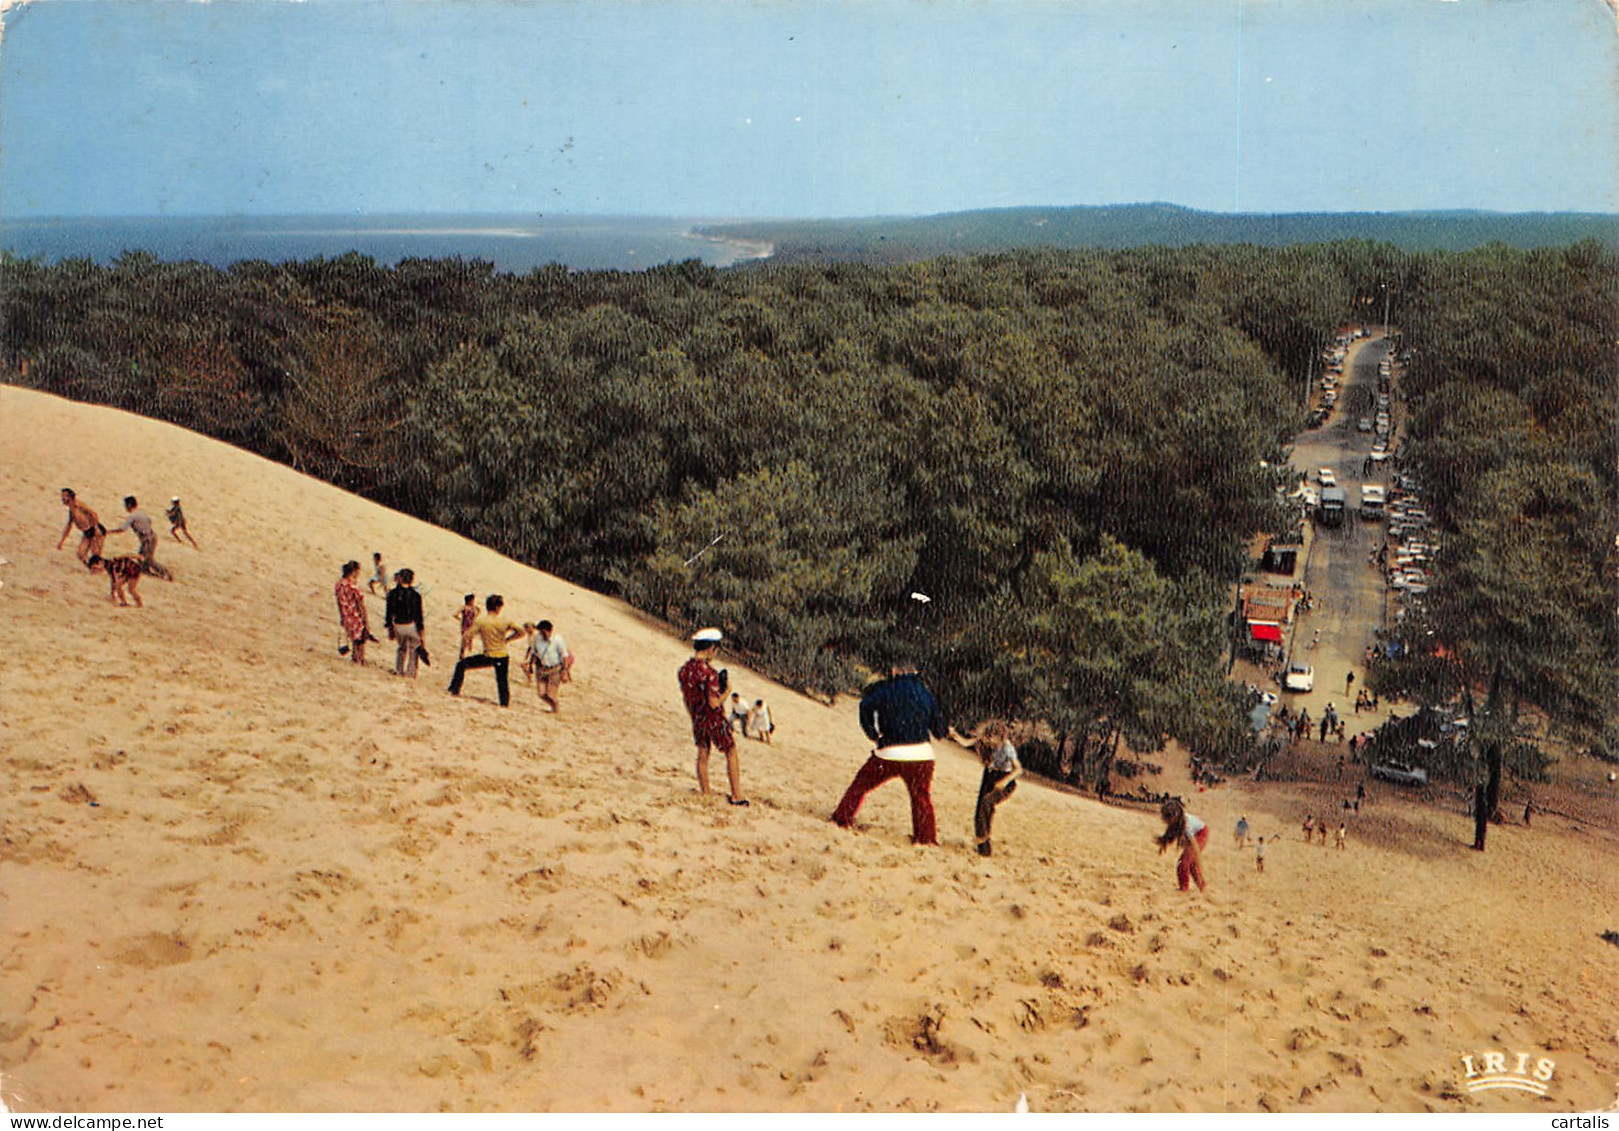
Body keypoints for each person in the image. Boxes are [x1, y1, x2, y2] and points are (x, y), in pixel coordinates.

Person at [831, 660, 948, 846]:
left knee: (860, 785)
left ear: (894, 671)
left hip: (890, 752)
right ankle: (926, 839)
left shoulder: (886, 689)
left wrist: (873, 734)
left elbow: (865, 706)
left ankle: (841, 819)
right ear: (915, 672)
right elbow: (940, 732)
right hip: (922, 755)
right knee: (921, 798)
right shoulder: (926, 694)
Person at [677, 628, 747, 805]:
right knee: (731, 751)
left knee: (702, 753)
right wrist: (727, 692)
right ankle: (737, 795)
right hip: (713, 718)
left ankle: (705, 791)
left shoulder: (685, 670)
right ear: (711, 648)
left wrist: (693, 715)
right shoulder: (709, 673)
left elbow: (686, 698)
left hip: (697, 717)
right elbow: (714, 703)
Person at [957, 720, 1022, 857]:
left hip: (1005, 779)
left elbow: (1018, 770)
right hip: (990, 776)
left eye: (993, 738)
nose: (990, 741)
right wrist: (953, 735)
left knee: (987, 803)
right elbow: (965, 742)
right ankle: (984, 849)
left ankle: (983, 838)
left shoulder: (1007, 748)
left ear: (1001, 737)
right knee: (980, 810)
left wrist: (1004, 782)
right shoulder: (985, 741)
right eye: (989, 737)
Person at [448, 595, 523, 707]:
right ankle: (504, 703)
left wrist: (462, 652)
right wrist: (508, 639)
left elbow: (466, 636)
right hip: (502, 655)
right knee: (502, 681)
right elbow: (521, 632)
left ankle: (454, 690)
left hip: (488, 655)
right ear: (498, 607)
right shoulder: (505, 620)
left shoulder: (481, 621)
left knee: (461, 665)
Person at [108, 496, 171, 581]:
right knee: (142, 558)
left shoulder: (132, 517)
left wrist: (109, 532)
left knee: (147, 559)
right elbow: (149, 521)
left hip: (147, 539)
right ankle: (148, 572)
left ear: (129, 505)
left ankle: (165, 572)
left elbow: (122, 529)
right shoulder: (141, 513)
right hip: (151, 537)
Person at [1156, 799, 1208, 892]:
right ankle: (1202, 886)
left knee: (1183, 863)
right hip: (1198, 832)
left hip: (1201, 834)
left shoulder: (1186, 826)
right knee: (1189, 863)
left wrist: (1200, 868)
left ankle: (1184, 888)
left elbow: (1196, 850)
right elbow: (1170, 833)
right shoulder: (1178, 821)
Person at [384, 568, 426, 678]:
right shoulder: (416, 596)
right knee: (413, 649)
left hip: (398, 624)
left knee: (401, 648)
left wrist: (389, 627)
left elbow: (389, 613)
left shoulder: (392, 594)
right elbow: (419, 615)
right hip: (411, 624)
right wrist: (421, 630)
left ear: (400, 578)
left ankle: (399, 669)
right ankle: (411, 672)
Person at [523, 619, 571, 713]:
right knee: (541, 693)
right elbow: (534, 652)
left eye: (544, 632)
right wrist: (530, 665)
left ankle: (555, 708)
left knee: (551, 694)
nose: (543, 635)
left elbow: (564, 655)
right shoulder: (537, 638)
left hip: (555, 668)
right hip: (541, 667)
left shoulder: (557, 639)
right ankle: (553, 706)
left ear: (550, 631)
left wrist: (565, 671)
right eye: (541, 632)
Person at [57, 488, 106, 564]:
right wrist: (62, 541)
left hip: (96, 530)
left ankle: (99, 569)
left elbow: (93, 514)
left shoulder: (79, 505)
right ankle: (90, 567)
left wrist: (96, 529)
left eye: (64, 496)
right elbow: (69, 526)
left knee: (96, 555)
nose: (62, 499)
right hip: (87, 532)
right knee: (80, 554)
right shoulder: (71, 510)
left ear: (70, 497)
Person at [335, 561, 370, 663]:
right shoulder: (352, 586)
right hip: (355, 615)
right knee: (360, 640)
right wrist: (365, 620)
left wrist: (342, 616)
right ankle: (359, 659)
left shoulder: (339, 584)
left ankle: (356, 658)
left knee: (354, 638)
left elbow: (339, 602)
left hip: (346, 615)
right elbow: (360, 604)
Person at [455, 594, 479, 658]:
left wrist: (461, 619)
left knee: (469, 640)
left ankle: (467, 653)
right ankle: (463, 653)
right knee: (466, 640)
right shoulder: (466, 607)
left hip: (468, 625)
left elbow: (455, 615)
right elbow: (455, 614)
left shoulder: (468, 607)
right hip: (467, 625)